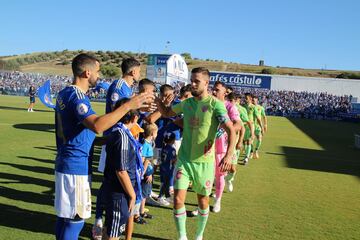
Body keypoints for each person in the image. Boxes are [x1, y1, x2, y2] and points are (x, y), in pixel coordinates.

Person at [54, 53, 152, 240]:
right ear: (87, 72)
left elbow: (78, 134)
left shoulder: (64, 93)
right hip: (75, 166)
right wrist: (127, 106)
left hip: (66, 162)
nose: (99, 76)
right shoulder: (77, 97)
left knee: (64, 219)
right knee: (76, 220)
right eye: (97, 72)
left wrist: (113, 141)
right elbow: (97, 125)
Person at [156, 67, 236, 240]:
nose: (192, 84)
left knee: (203, 201)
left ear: (206, 83)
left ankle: (199, 235)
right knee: (178, 200)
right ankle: (182, 236)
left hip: (205, 163)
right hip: (184, 160)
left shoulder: (216, 105)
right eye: (191, 80)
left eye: (196, 81)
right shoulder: (188, 103)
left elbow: (231, 130)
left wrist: (229, 155)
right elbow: (167, 113)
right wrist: (160, 102)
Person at [93, 58, 143, 239]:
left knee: (115, 182)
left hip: (122, 139)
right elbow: (115, 115)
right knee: (110, 181)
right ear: (132, 71)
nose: (140, 73)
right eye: (139, 70)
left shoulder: (127, 88)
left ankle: (109, 224)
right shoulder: (118, 86)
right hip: (115, 142)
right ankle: (100, 221)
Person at [102, 99, 143, 240]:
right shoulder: (122, 136)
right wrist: (132, 195)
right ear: (135, 117)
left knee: (110, 228)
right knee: (113, 233)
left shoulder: (118, 132)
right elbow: (121, 170)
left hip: (118, 190)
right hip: (120, 192)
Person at [212, 81, 241, 213]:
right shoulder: (209, 104)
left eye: (217, 90)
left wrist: (225, 131)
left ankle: (218, 200)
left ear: (225, 92)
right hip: (206, 147)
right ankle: (201, 204)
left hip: (221, 148)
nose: (214, 92)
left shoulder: (230, 107)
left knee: (220, 176)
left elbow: (239, 124)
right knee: (204, 177)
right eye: (213, 89)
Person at [158, 132, 177, 204]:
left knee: (165, 183)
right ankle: (160, 197)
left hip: (162, 167)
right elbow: (173, 160)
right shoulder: (172, 149)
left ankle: (167, 196)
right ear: (173, 140)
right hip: (168, 169)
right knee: (165, 184)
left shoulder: (164, 147)